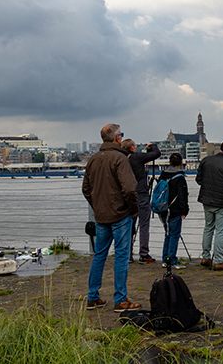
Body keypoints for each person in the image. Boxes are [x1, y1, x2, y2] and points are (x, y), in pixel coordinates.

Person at [83, 124, 141, 312]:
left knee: (99, 255)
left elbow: (86, 189)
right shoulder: (120, 158)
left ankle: (93, 297)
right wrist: (133, 210)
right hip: (120, 215)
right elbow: (130, 189)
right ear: (117, 138)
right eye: (121, 135)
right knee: (122, 256)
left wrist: (98, 206)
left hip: (101, 216)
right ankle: (120, 300)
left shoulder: (93, 159)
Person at [196, 140, 223, 270]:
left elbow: (199, 180)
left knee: (208, 227)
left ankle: (205, 257)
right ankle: (219, 261)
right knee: (220, 231)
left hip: (207, 200)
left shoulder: (206, 160)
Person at [122, 138, 161, 264]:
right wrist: (152, 146)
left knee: (129, 226)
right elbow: (156, 154)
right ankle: (144, 254)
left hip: (127, 196)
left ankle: (127, 255)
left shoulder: (121, 158)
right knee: (144, 224)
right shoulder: (136, 157)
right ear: (132, 148)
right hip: (141, 194)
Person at [159, 152, 189, 269]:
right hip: (175, 210)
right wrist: (184, 211)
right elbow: (183, 197)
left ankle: (164, 259)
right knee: (174, 235)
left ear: (169, 162)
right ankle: (172, 260)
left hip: (162, 209)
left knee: (167, 235)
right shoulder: (179, 178)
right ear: (181, 163)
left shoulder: (162, 175)